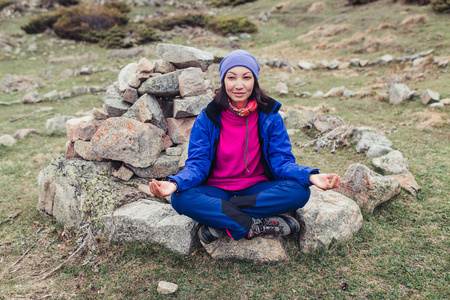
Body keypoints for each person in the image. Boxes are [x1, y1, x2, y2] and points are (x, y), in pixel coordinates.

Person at [150, 49, 340, 244]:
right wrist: (175, 183)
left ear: (254, 81)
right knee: (180, 198)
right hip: (217, 189)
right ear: (223, 81)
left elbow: (281, 162)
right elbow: (197, 165)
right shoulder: (208, 118)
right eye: (231, 78)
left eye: (246, 77)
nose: (239, 85)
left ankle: (221, 217)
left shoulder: (270, 116)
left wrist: (310, 176)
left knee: (300, 192)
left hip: (257, 190)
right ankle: (252, 225)